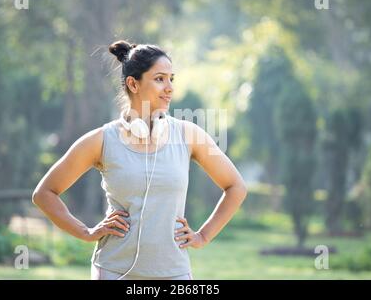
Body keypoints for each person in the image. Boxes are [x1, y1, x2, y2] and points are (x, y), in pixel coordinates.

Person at [32, 40, 248, 280]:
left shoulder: (189, 135)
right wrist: (86, 232)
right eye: (159, 79)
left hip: (174, 272)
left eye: (171, 79)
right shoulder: (101, 140)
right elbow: (44, 194)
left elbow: (236, 187)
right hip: (114, 270)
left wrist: (203, 236)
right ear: (133, 83)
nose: (169, 88)